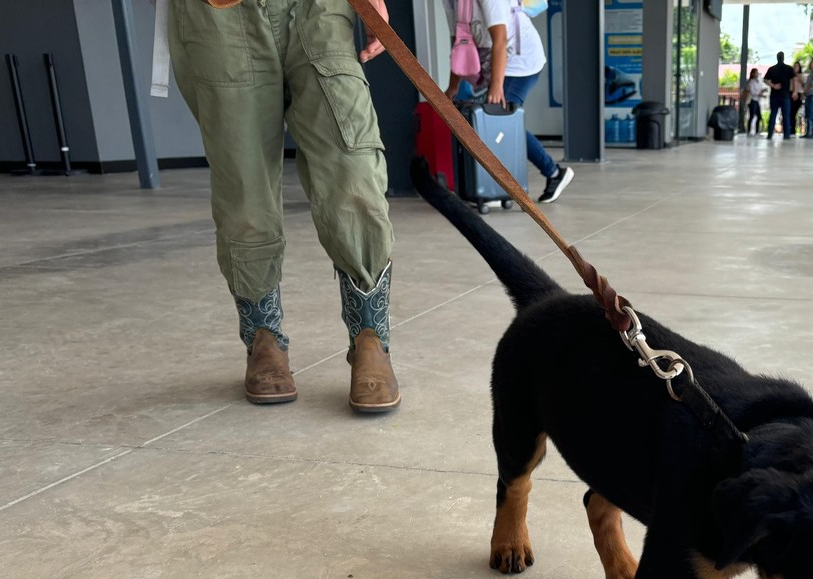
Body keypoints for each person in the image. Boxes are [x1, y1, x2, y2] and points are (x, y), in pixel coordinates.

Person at [169, 0, 400, 412]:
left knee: (353, 165)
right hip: (217, 13)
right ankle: (264, 339)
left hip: (319, 7)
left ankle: (370, 337)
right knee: (243, 182)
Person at [443, 0, 573, 204]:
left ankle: (550, 173)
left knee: (499, 122)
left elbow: (501, 40)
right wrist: (453, 86)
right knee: (496, 123)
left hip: (520, 61)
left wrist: (496, 86)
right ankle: (506, 184)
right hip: (495, 61)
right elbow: (459, 41)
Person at [764, 52, 795, 141]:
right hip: (785, 95)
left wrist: (773, 85)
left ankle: (770, 134)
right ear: (783, 58)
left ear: (777, 58)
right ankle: (786, 135)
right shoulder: (789, 68)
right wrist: (794, 91)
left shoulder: (772, 69)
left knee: (773, 114)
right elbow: (793, 80)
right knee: (786, 116)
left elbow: (765, 80)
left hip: (774, 95)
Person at [743, 68, 764, 136]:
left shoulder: (757, 81)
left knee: (758, 116)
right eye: (756, 72)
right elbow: (753, 92)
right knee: (752, 116)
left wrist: (762, 92)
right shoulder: (751, 82)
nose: (757, 74)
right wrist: (760, 94)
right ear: (753, 73)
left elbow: (759, 90)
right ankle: (749, 131)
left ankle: (757, 131)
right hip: (752, 101)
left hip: (757, 101)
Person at [790, 61, 805, 137]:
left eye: (797, 66)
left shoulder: (801, 75)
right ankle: (790, 130)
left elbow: (804, 85)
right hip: (791, 94)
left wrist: (798, 77)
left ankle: (793, 130)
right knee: (790, 113)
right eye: (794, 66)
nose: (795, 67)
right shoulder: (790, 76)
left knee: (794, 113)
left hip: (799, 95)